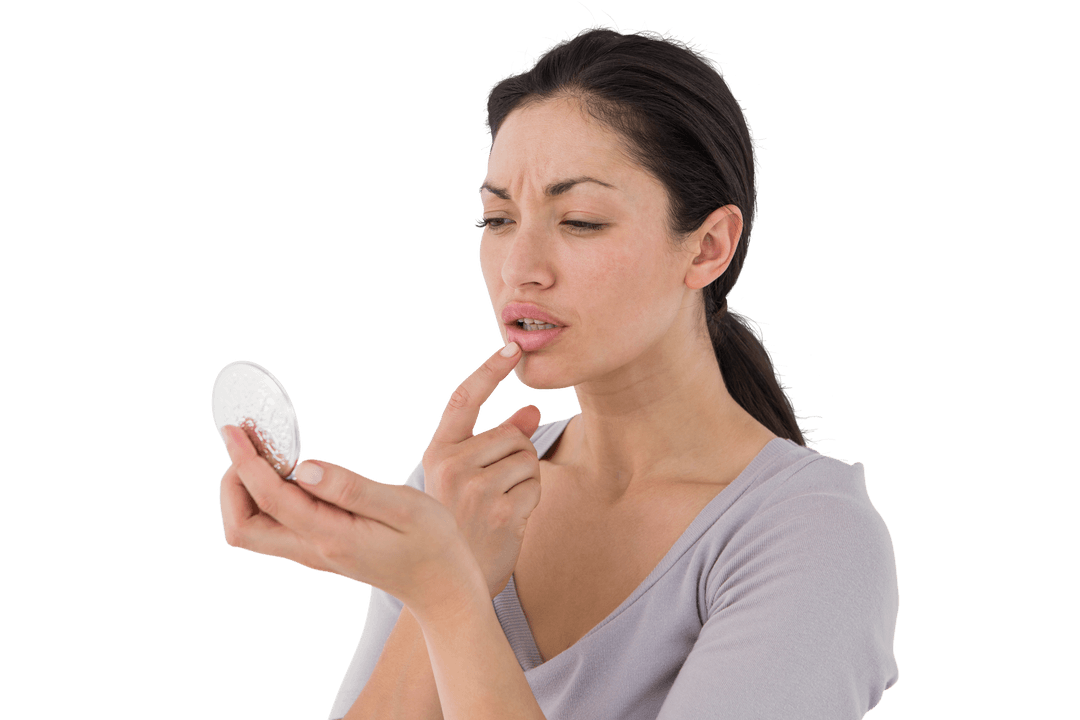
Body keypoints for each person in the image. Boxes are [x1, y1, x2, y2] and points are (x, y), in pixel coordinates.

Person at [328, 18, 899, 720]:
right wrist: (443, 567)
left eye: (580, 222)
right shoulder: (464, 490)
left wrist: (448, 593)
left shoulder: (812, 536)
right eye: (497, 220)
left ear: (707, 248)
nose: (520, 270)